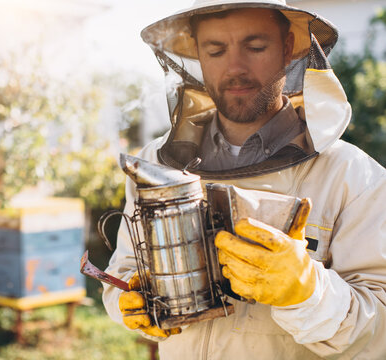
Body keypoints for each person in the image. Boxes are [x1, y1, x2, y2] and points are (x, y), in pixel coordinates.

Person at [102, 0, 386, 359]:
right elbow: (125, 271)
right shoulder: (154, 165)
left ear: (288, 49)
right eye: (215, 50)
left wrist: (309, 292)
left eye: (255, 47)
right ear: (198, 55)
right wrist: (132, 303)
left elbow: (378, 332)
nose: (235, 68)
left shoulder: (355, 177)